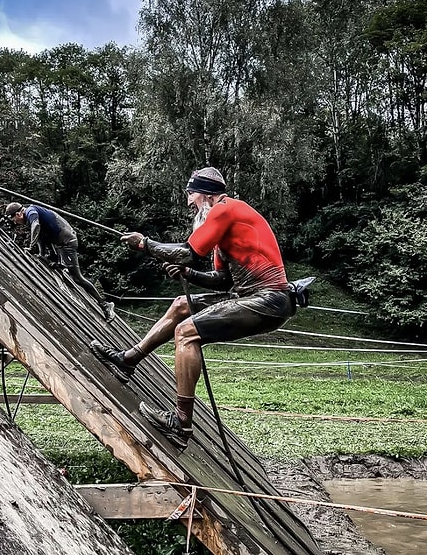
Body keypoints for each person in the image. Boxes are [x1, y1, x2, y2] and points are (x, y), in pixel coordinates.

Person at [90, 167, 294, 448]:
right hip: (248, 295)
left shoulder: (226, 209)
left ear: (206, 195)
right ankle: (128, 361)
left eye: (191, 195)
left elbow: (187, 251)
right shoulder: (223, 232)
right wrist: (189, 275)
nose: (189, 203)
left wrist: (145, 244)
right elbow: (223, 281)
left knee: (186, 332)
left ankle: (181, 423)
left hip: (268, 299)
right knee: (181, 306)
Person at [5, 202, 115, 322]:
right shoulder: (32, 215)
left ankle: (105, 305)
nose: (15, 222)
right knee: (55, 263)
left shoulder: (31, 212)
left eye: (14, 219)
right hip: (59, 245)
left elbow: (36, 227)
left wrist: (31, 247)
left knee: (77, 278)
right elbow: (41, 238)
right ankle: (58, 262)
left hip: (67, 243)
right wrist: (41, 254)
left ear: (18, 214)